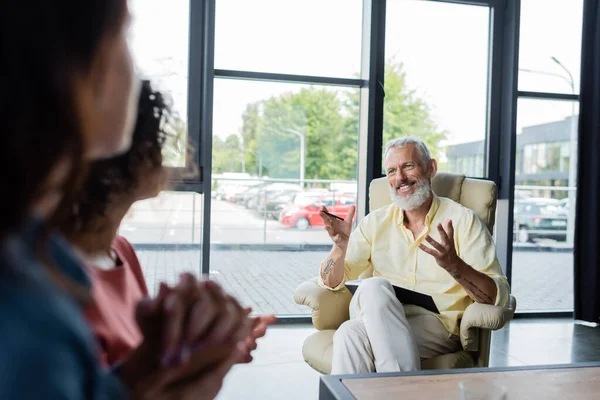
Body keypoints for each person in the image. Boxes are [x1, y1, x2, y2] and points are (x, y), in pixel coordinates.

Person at [0, 1, 253, 398]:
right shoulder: (26, 305)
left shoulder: (40, 262)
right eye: (124, 34)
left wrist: (155, 368)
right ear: (75, 65)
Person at [58, 79, 275, 366]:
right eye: (156, 139)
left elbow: (146, 359)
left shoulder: (120, 250)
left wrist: (206, 351)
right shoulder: (54, 278)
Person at [318, 136, 510, 374]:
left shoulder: (463, 221)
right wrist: (340, 245)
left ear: (431, 168)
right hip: (376, 314)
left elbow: (496, 296)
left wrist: (456, 267)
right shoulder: (375, 222)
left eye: (408, 166)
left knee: (349, 334)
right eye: (391, 171)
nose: (400, 178)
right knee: (374, 288)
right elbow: (332, 281)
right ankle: (404, 388)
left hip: (436, 326)